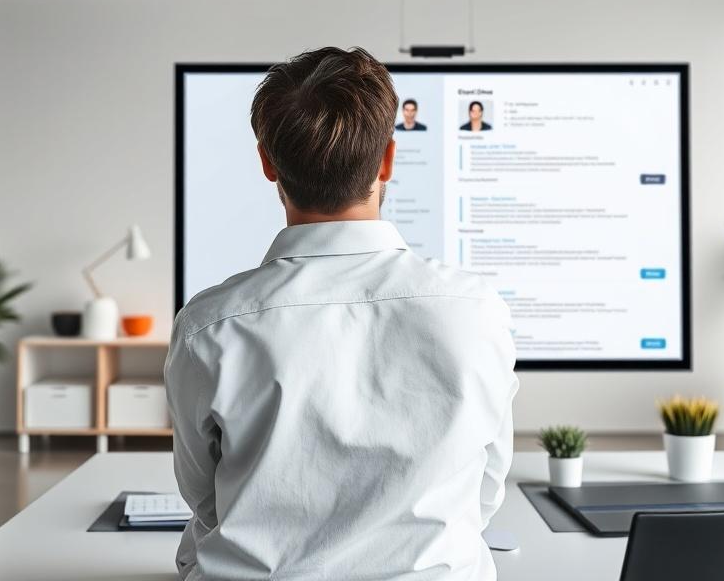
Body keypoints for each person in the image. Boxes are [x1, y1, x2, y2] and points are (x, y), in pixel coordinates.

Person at [165, 47, 517, 581]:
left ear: (267, 163)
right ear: (387, 161)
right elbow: (483, 490)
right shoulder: (476, 312)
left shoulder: (208, 328)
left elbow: (207, 501)